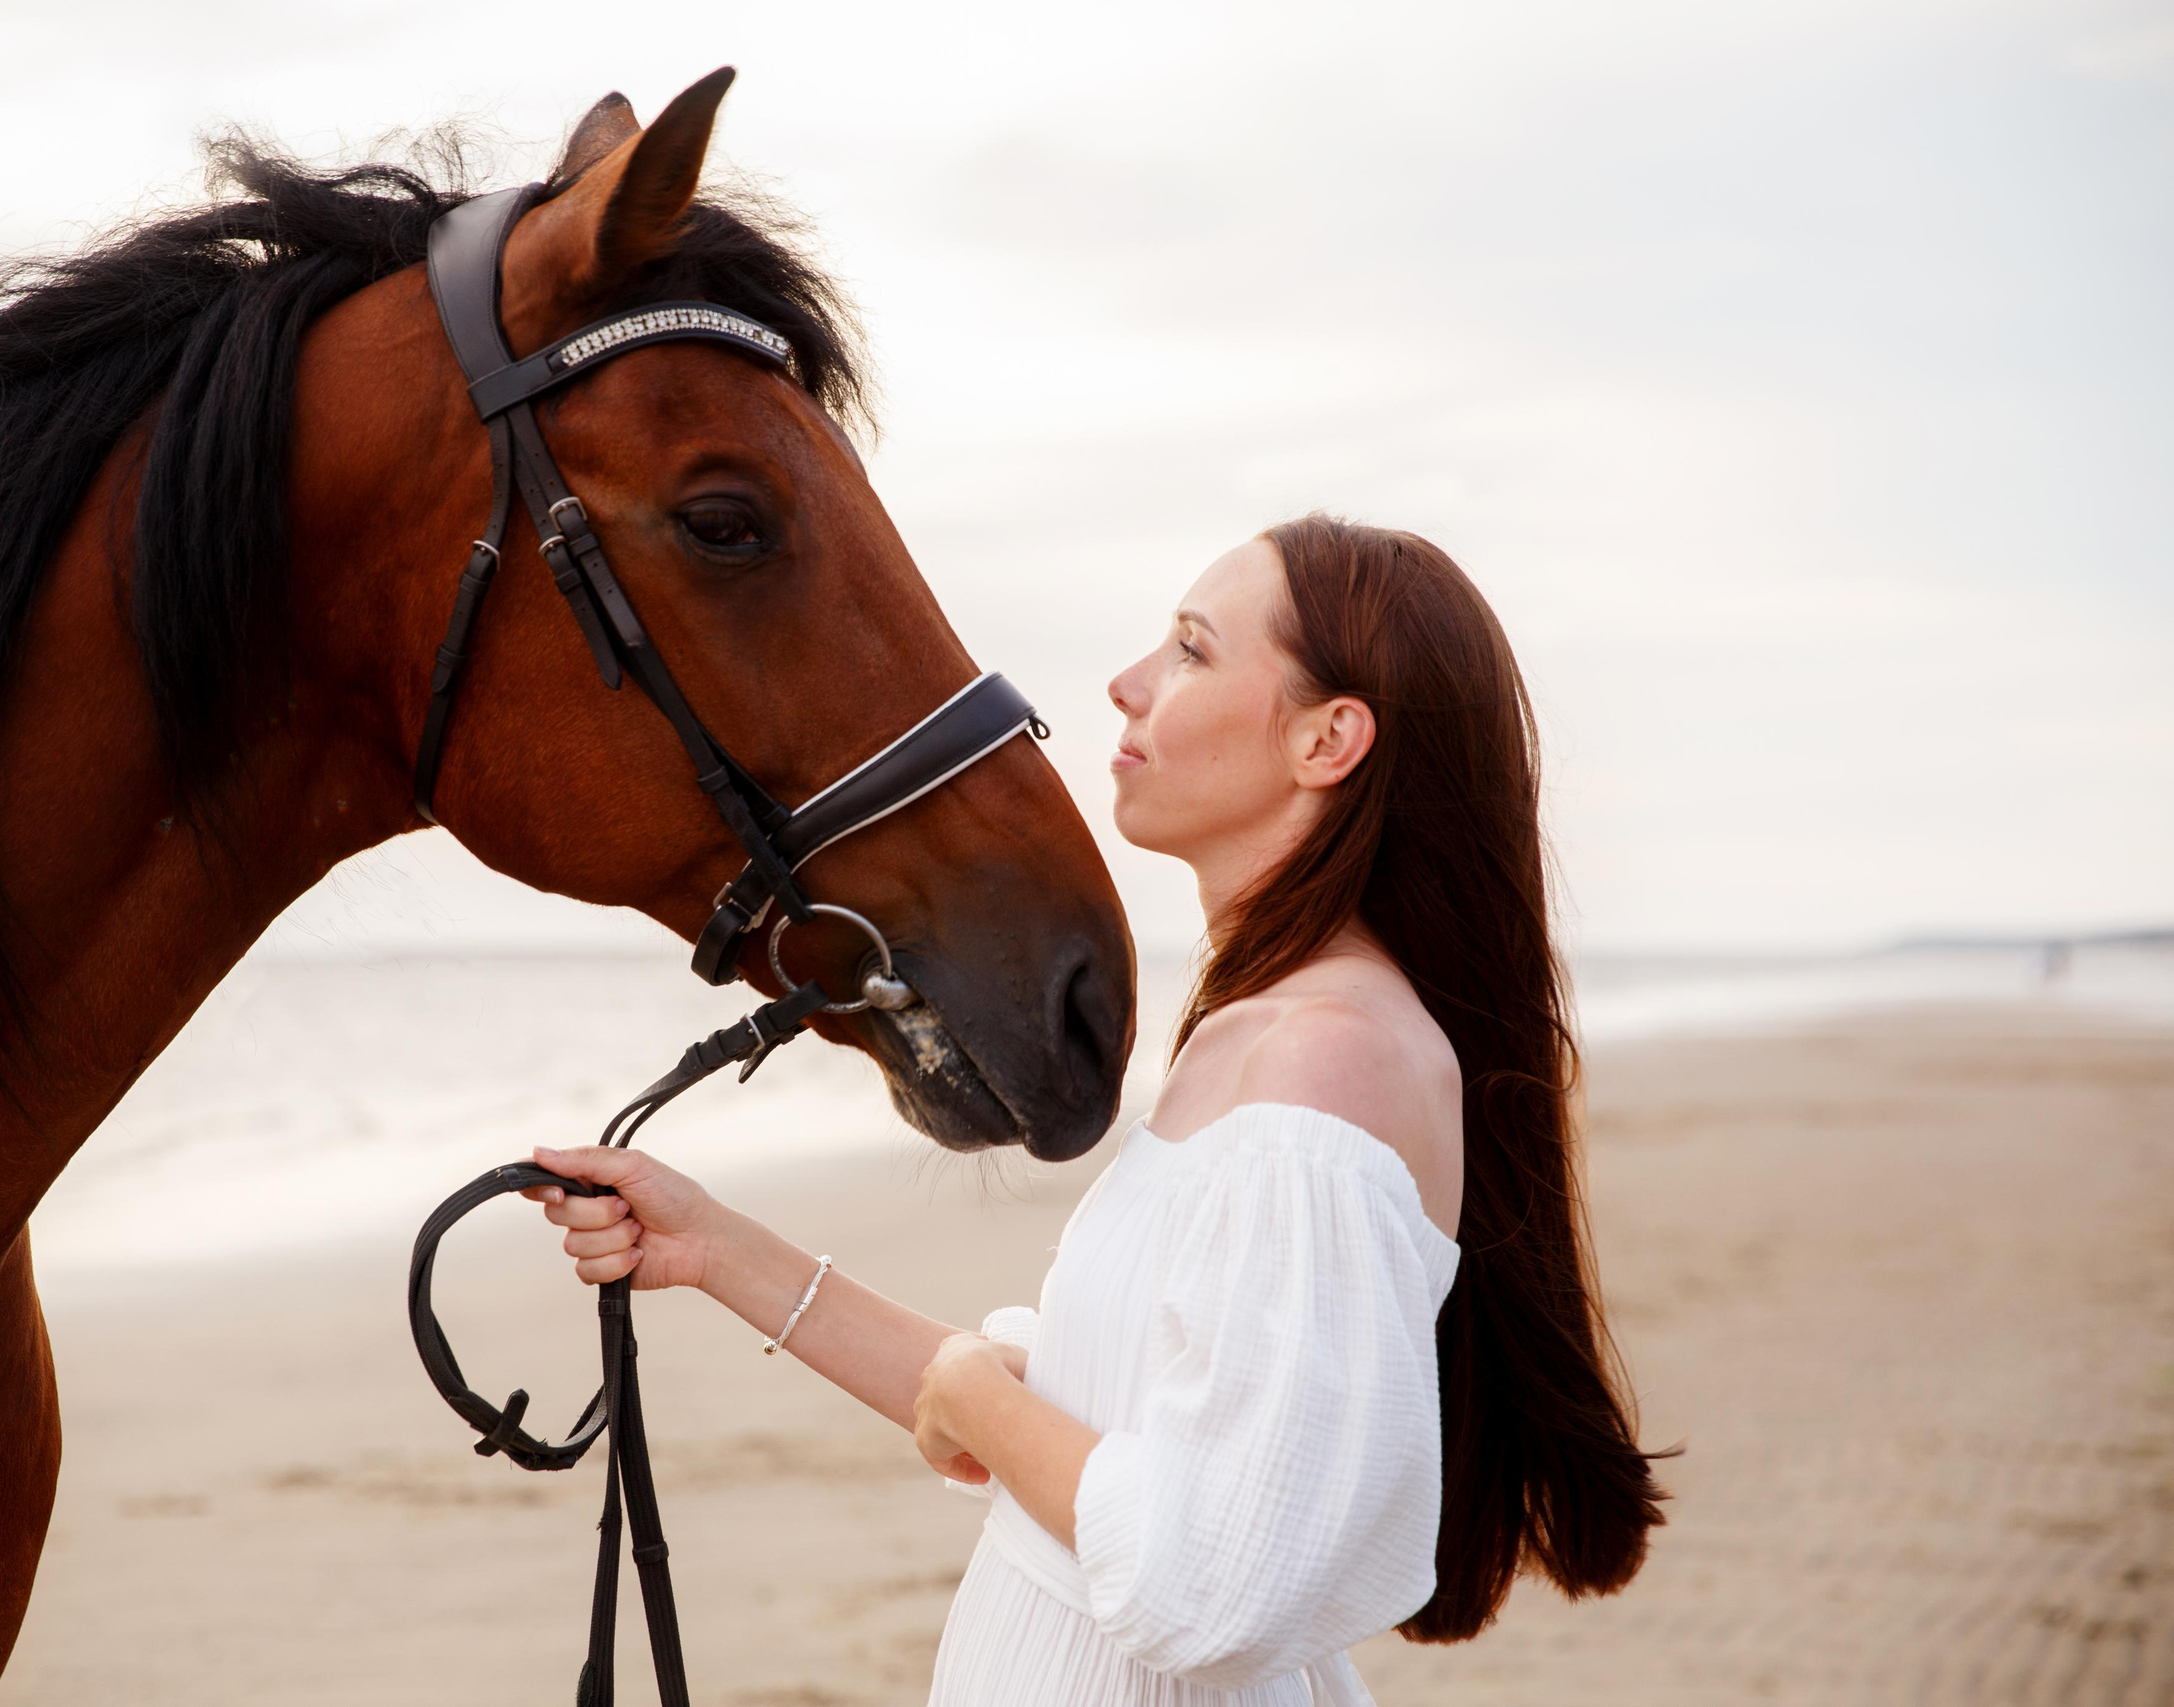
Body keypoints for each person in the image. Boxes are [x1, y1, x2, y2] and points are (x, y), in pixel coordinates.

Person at [522, 513, 1666, 1704]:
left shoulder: (1327, 1059)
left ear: (1329, 739)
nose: (1125, 686)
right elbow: (1084, 1433)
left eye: (1189, 651)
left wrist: (971, 1391)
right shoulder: (1265, 1031)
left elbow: (1208, 1580)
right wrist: (709, 1246)